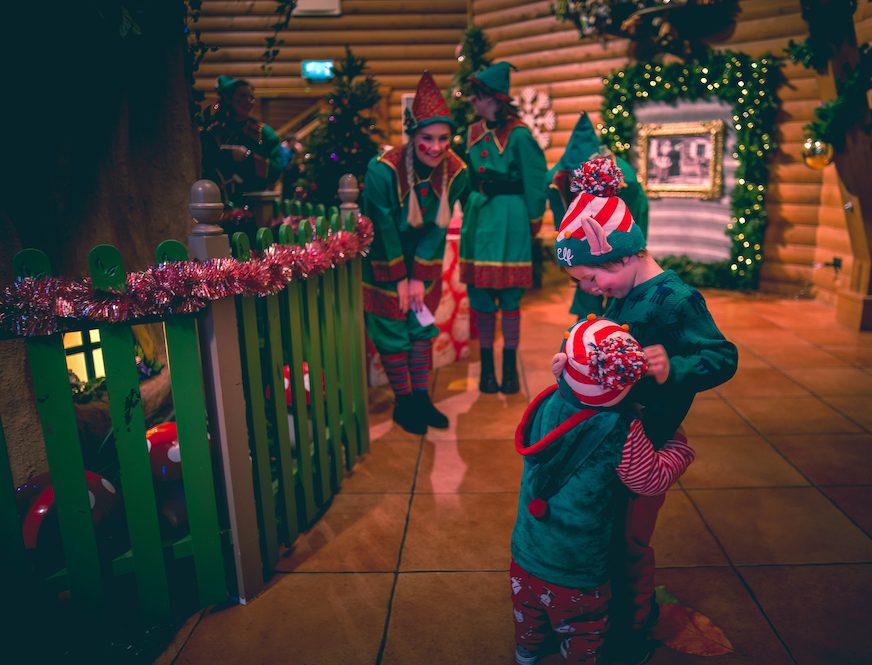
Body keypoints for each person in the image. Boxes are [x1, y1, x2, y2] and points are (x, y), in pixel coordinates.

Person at [553, 157, 738, 663]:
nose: (589, 291)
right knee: (607, 529)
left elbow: (722, 357)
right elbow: (605, 344)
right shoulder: (622, 292)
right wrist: (573, 360)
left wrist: (671, 367)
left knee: (630, 540)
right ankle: (606, 607)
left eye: (590, 280)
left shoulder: (675, 301)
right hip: (615, 436)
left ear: (621, 257)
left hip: (648, 440)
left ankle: (632, 630)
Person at [511, 316, 695, 665]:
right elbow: (649, 480)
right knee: (584, 628)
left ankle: (527, 652)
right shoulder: (621, 429)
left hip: (525, 553)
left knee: (528, 614)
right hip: (577, 569)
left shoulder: (547, 402)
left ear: (563, 363)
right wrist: (678, 448)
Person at [361, 71, 470, 435]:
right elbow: (384, 228)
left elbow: (437, 228)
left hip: (422, 260)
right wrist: (400, 279)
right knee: (393, 330)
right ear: (412, 136)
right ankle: (404, 402)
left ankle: (421, 398)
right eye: (427, 138)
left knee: (421, 327)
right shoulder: (383, 172)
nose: (436, 147)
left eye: (443, 138)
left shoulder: (456, 172)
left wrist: (419, 279)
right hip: (384, 258)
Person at [460, 62, 548, 394]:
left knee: (510, 299)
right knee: (481, 296)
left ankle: (509, 370)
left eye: (478, 96)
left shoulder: (520, 135)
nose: (472, 101)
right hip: (479, 217)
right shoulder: (472, 132)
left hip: (510, 219)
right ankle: (486, 370)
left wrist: (533, 220)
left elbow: (535, 180)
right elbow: (466, 176)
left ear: (494, 98)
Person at [546, 112, 649, 319]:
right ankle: (586, 327)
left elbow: (631, 228)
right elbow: (564, 222)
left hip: (619, 236)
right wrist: (580, 271)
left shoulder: (624, 181)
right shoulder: (556, 180)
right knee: (588, 297)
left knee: (619, 291)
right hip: (587, 238)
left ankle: (618, 324)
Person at [201, 75, 284, 207]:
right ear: (228, 99)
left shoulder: (264, 132)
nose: (248, 101)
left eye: (251, 97)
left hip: (255, 203)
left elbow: (276, 169)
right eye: (243, 96)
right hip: (218, 203)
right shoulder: (213, 131)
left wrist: (248, 157)